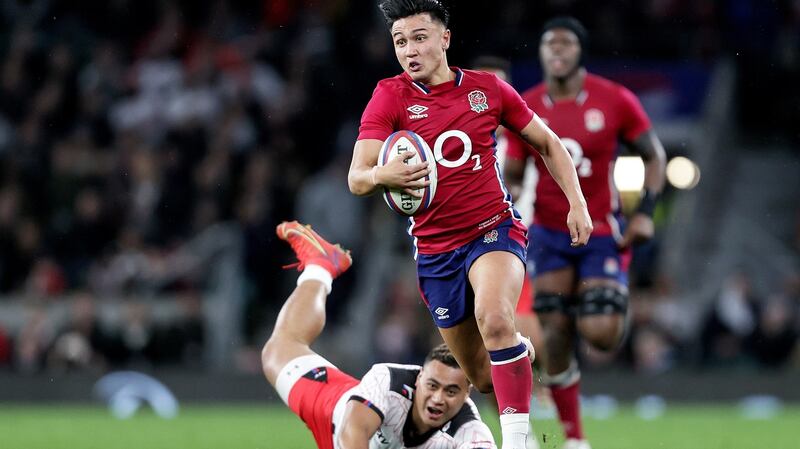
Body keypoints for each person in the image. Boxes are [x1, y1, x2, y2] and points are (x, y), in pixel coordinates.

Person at [348, 2, 593, 449]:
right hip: (435, 253)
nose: (409, 50)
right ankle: (519, 354)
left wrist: (578, 203)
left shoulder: (487, 90)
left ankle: (518, 442)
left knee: (496, 319)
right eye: (400, 42)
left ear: (445, 39)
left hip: (494, 229)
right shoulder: (390, 95)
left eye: (419, 38)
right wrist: (383, 175)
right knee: (482, 376)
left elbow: (548, 143)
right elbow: (358, 176)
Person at [503, 17, 667, 449]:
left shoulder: (615, 100)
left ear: (581, 51)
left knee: (601, 333)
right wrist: (510, 193)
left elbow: (654, 155)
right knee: (553, 334)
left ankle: (603, 297)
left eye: (566, 43)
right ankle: (575, 440)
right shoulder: (526, 104)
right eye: (548, 43)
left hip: (599, 232)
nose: (556, 50)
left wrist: (644, 212)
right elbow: (515, 171)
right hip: (548, 234)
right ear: (539, 53)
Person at [261, 220, 498, 449]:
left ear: (467, 393)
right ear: (419, 379)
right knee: (278, 349)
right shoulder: (388, 381)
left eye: (451, 391)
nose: (438, 398)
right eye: (432, 385)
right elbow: (351, 435)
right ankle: (320, 267)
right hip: (333, 412)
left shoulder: (470, 432)